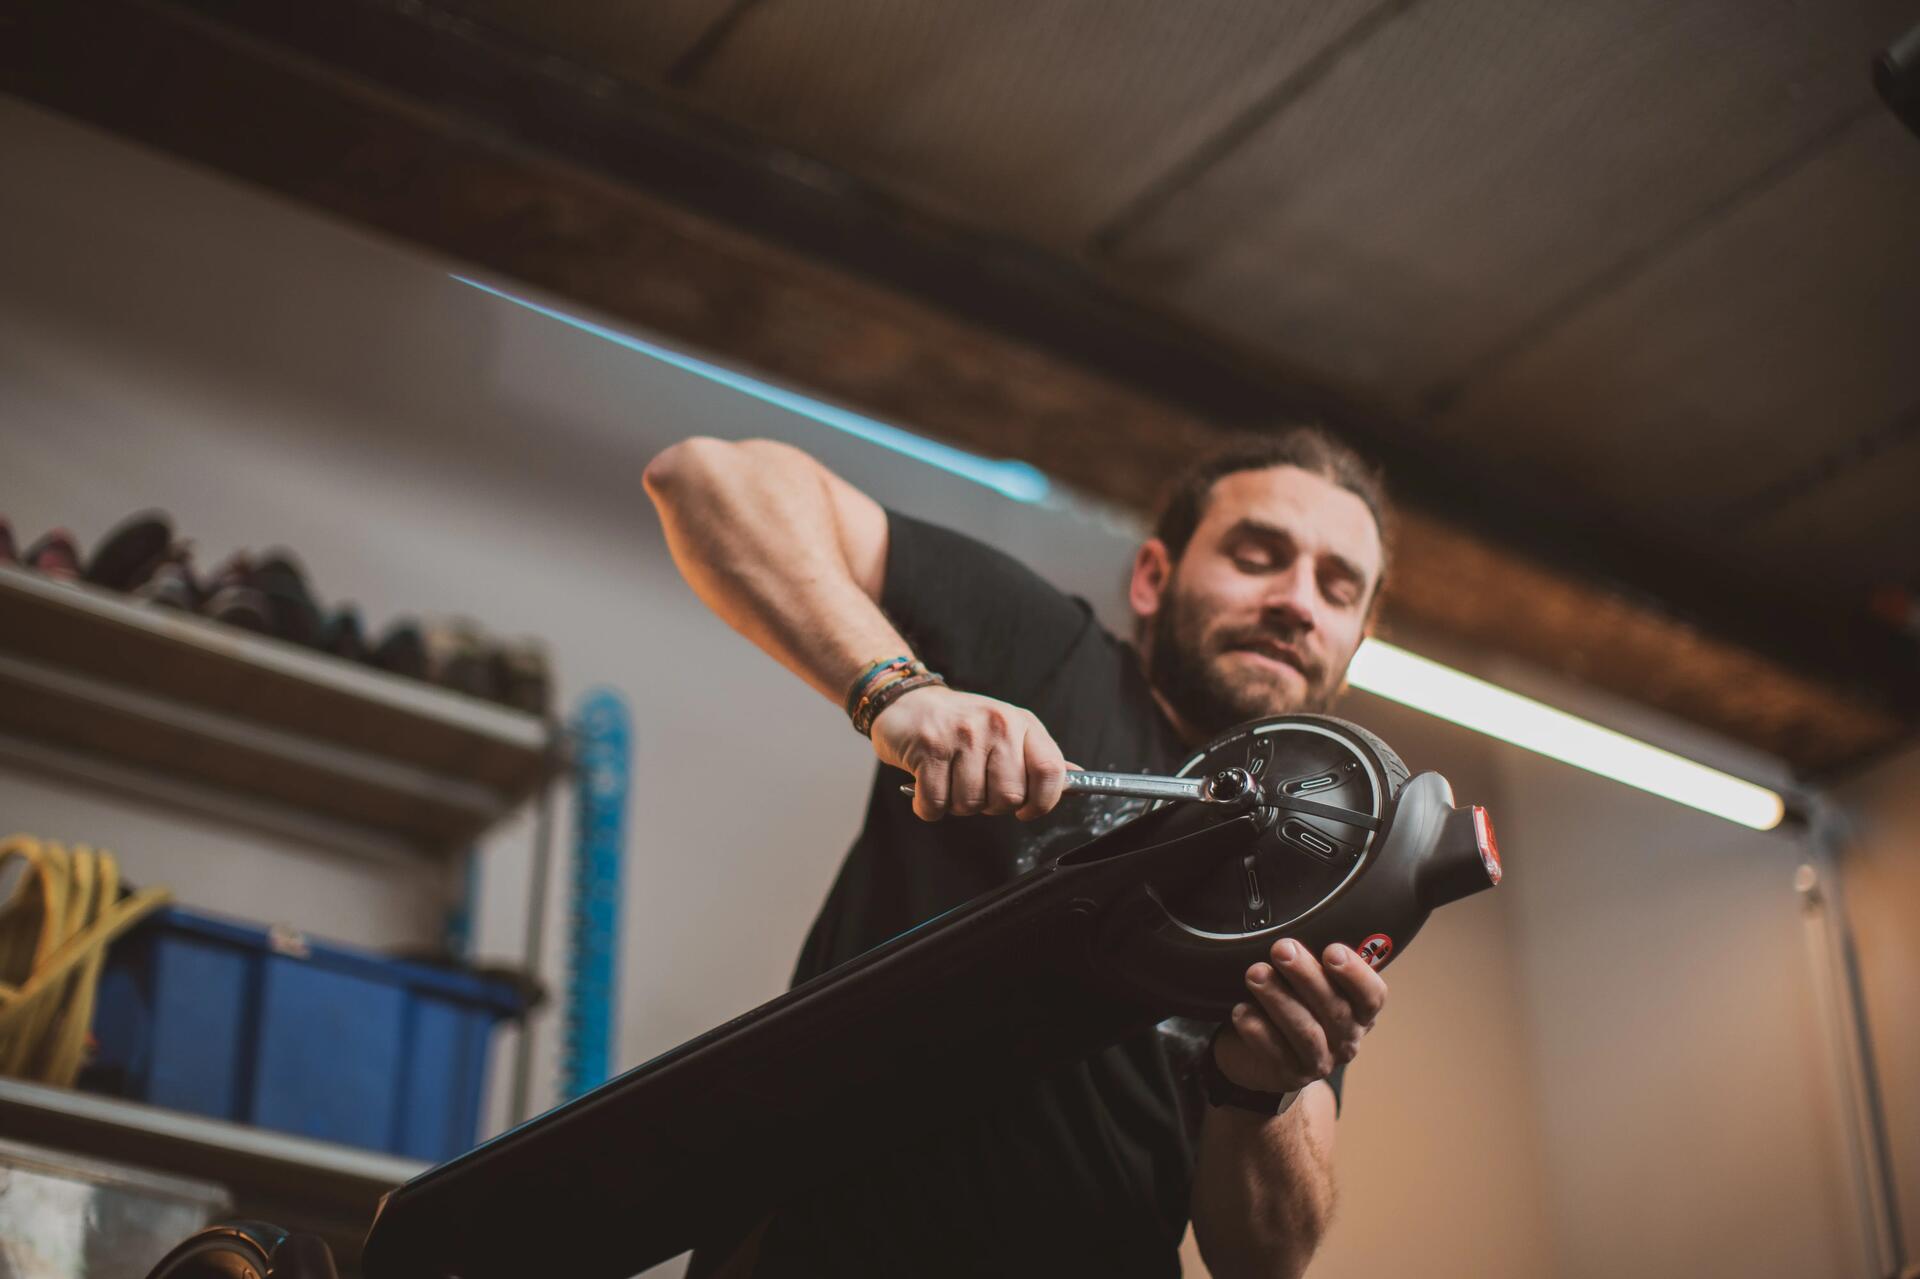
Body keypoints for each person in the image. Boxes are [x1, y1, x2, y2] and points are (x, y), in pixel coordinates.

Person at [643, 425, 1394, 1279]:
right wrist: (899, 691)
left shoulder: (1319, 876)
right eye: (1258, 556)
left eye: (1337, 588)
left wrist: (1263, 1091)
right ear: (1154, 578)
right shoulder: (1044, 654)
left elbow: (1265, 1261)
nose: (1298, 600)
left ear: (1355, 639)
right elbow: (706, 478)